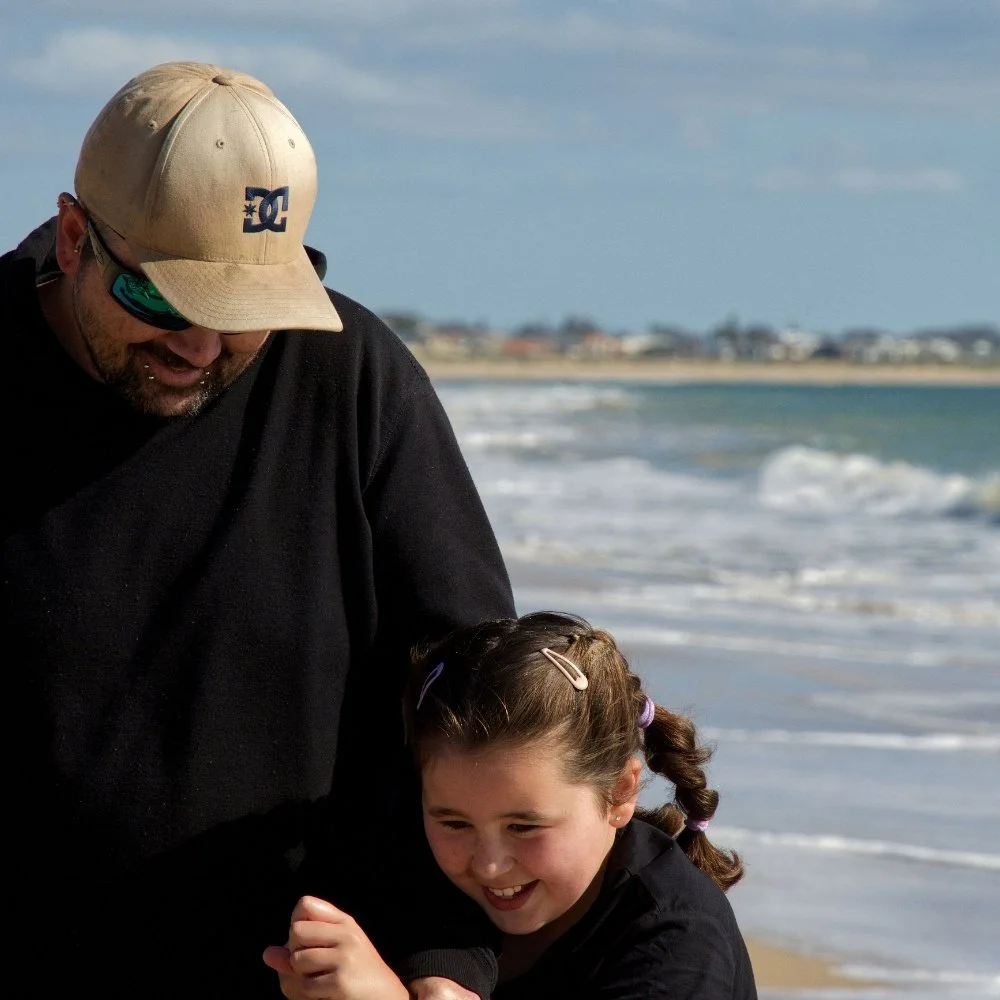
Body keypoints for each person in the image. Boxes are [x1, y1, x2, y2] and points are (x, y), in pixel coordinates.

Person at [1, 61, 514, 999]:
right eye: (160, 299)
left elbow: (474, 698)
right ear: (74, 237)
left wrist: (449, 966)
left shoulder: (352, 379)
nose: (199, 348)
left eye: (244, 314)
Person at [271, 611, 757, 999]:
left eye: (523, 827)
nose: (488, 864)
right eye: (454, 822)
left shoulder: (677, 942)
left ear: (620, 794)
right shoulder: (416, 876)